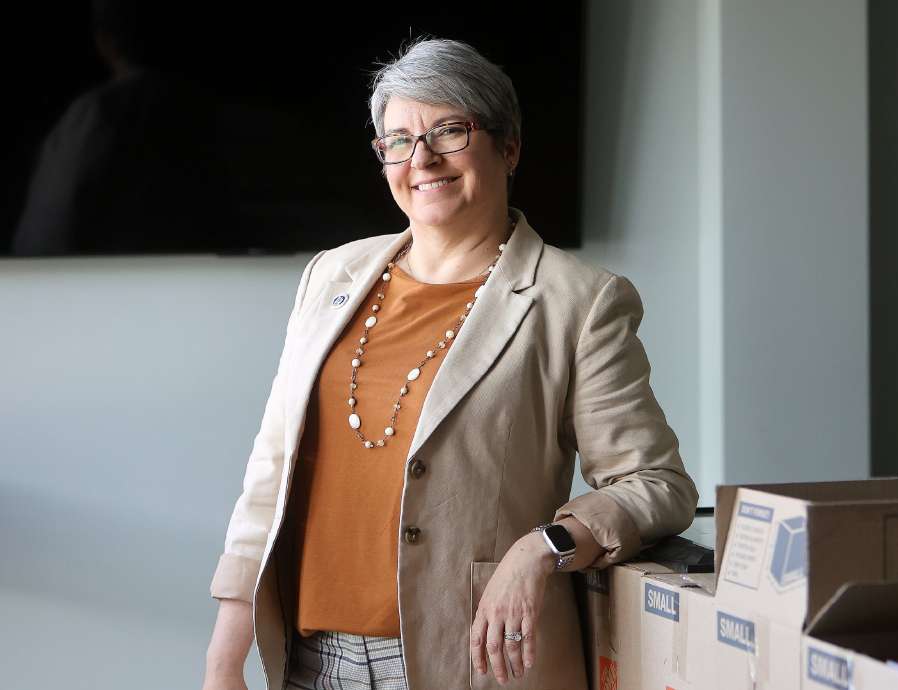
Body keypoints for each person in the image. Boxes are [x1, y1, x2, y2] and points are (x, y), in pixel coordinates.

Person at [201, 37, 698, 690]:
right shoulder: (332, 274)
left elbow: (656, 484)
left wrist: (541, 547)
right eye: (399, 140)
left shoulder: (579, 301)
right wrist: (222, 660)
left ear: (508, 145)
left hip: (470, 666)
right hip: (310, 662)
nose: (422, 158)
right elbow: (271, 471)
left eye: (449, 131)